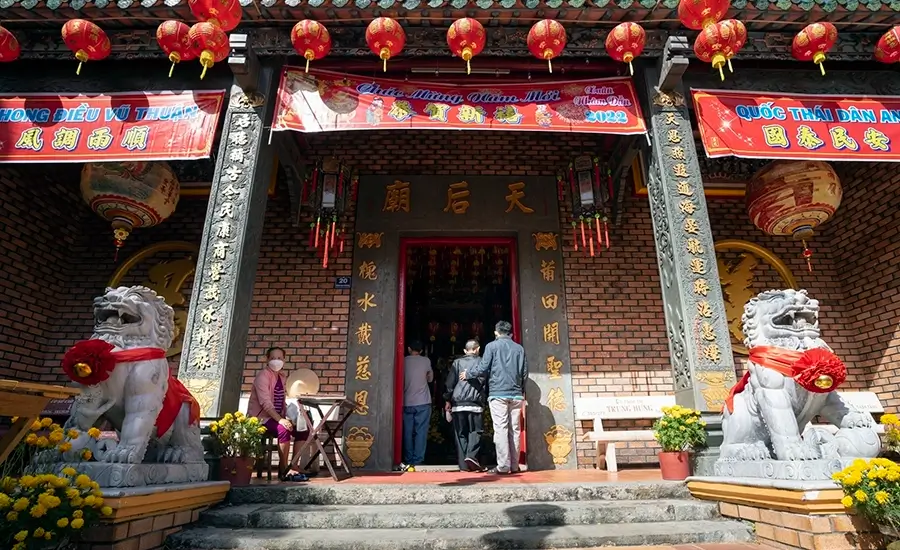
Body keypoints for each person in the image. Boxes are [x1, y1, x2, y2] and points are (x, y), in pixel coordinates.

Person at [461, 321, 527, 475]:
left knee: (501, 429)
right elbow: (524, 372)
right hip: (516, 394)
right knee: (515, 429)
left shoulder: (491, 346)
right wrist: (521, 391)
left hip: (498, 393)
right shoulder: (519, 349)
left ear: (496, 332)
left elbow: (483, 367)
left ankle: (503, 466)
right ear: (510, 333)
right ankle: (515, 465)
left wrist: (468, 374)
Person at [247, 347, 310, 482]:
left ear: (284, 360)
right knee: (283, 429)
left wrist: (291, 415)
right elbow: (265, 403)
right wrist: (281, 420)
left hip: (277, 417)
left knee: (303, 427)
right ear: (267, 359)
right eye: (273, 358)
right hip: (261, 418)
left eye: (280, 358)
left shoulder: (282, 377)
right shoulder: (262, 377)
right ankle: (284, 468)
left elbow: (281, 400)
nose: (276, 361)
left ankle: (294, 465)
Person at [443, 339, 487, 472]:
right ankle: (472, 456)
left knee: (460, 434)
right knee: (475, 431)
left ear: (464, 351)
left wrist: (447, 400)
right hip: (475, 403)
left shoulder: (457, 363)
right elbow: (486, 382)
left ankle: (464, 465)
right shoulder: (482, 362)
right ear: (478, 349)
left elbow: (449, 384)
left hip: (458, 403)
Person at [401, 340, 433, 472]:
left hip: (406, 401)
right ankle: (418, 459)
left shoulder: (403, 361)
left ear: (409, 349)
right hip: (423, 401)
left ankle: (408, 460)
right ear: (421, 350)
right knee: (421, 431)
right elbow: (430, 379)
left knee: (407, 431)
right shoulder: (426, 361)